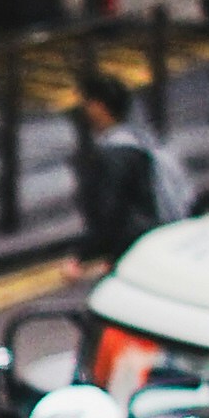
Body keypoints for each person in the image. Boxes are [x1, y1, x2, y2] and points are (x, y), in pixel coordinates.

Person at [70, 70, 185, 269]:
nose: (83, 110)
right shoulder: (145, 142)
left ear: (99, 107)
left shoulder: (114, 154)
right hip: (158, 241)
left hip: (138, 252)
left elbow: (111, 213)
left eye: (87, 103)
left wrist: (82, 259)